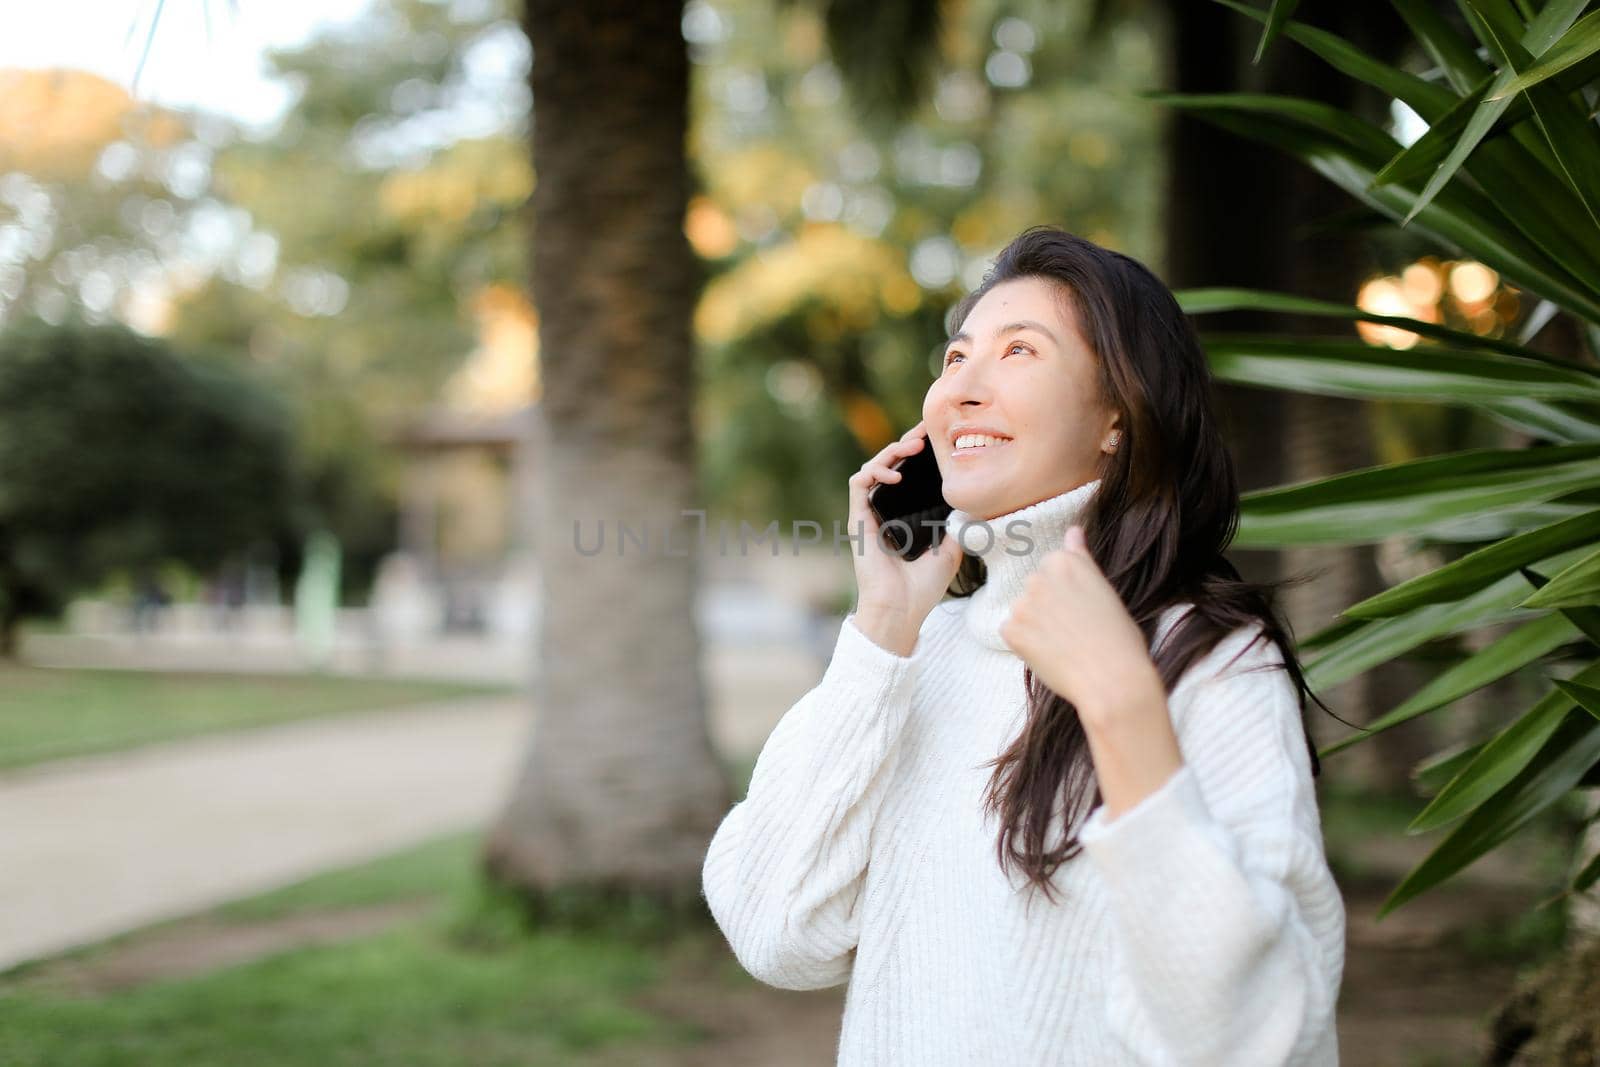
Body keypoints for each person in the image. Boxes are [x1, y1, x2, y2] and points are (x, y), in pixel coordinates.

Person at [701, 225, 1347, 1065]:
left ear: (1118, 413)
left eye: (1018, 353)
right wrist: (883, 629)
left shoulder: (1210, 659)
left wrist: (1121, 707)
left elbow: (1258, 1036)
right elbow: (775, 930)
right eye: (955, 358)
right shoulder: (918, 651)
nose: (961, 390)